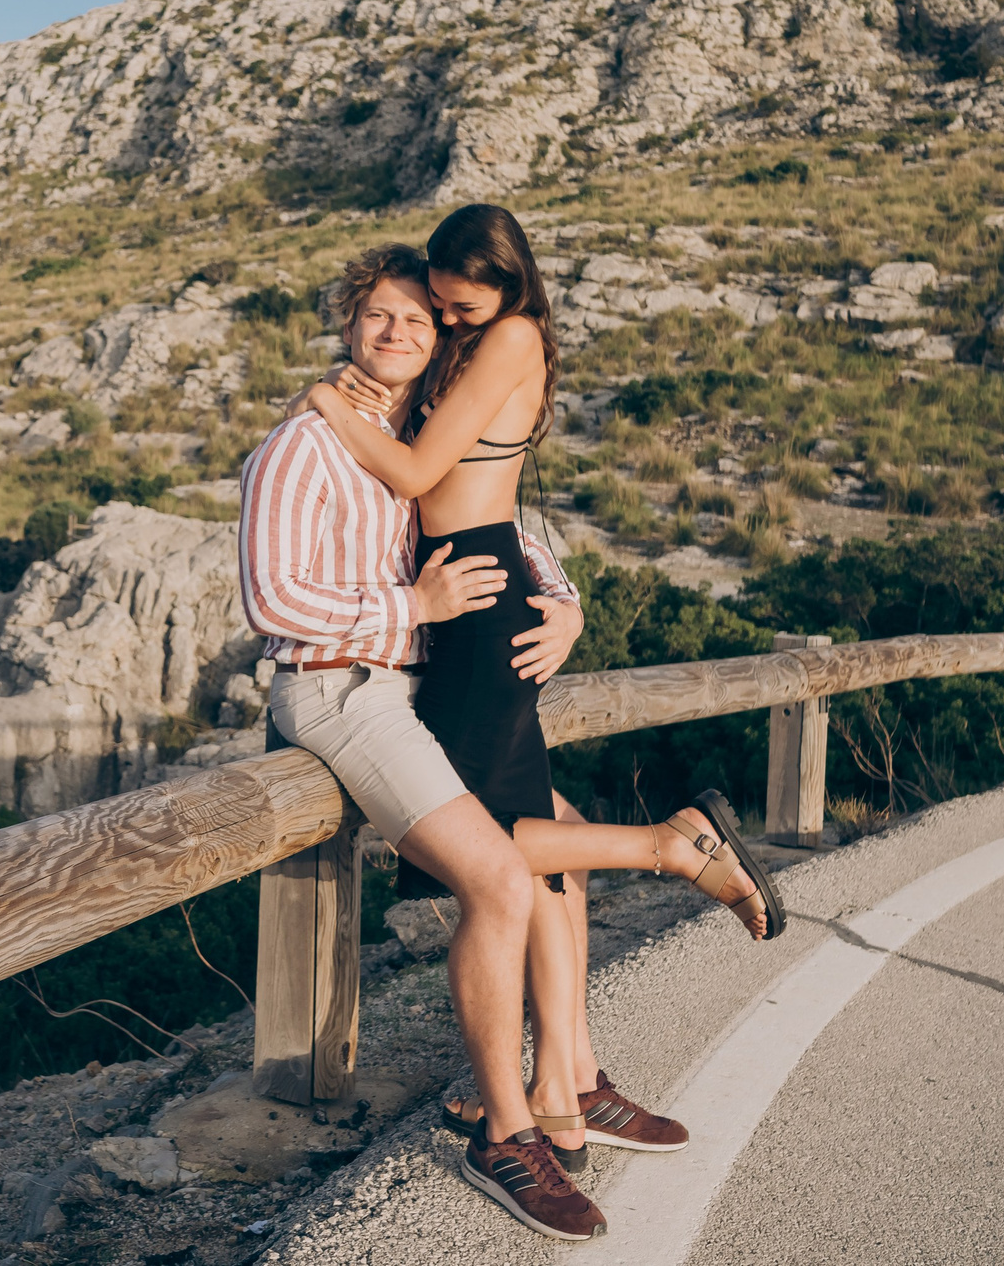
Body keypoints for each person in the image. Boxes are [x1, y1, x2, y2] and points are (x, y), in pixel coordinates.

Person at [301, 203, 784, 1166]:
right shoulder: (494, 334)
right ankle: (563, 1088)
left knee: (480, 836)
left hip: (473, 598)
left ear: (505, 279)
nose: (448, 313)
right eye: (435, 301)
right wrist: (556, 592)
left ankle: (675, 844)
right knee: (524, 838)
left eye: (457, 298)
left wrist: (325, 406)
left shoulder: (511, 333)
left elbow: (414, 472)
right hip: (483, 583)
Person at [238, 244, 607, 1242]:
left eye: (420, 319)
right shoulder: (301, 446)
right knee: (497, 879)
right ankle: (506, 1132)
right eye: (378, 319)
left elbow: (492, 525)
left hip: (413, 685)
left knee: (551, 829)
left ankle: (569, 1078)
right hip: (343, 690)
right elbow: (272, 600)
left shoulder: (401, 433)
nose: (399, 333)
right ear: (348, 329)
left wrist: (564, 605)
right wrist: (412, 604)